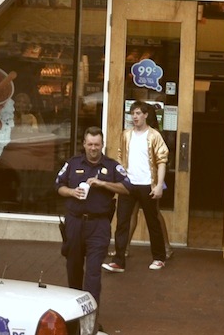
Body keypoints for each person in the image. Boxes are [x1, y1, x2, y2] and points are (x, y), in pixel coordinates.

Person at [56, 128, 129, 305]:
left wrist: (103, 183)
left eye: (97, 144)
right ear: (84, 144)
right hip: (74, 223)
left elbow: (127, 188)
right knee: (73, 268)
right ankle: (75, 309)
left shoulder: (112, 166)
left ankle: (91, 312)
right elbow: (58, 186)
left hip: (98, 225)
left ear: (102, 145)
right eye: (90, 144)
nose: (93, 148)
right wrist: (72, 192)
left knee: (93, 272)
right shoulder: (73, 163)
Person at [103, 100, 168, 272]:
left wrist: (159, 185)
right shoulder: (126, 135)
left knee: (152, 222)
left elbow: (162, 161)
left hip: (148, 185)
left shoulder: (154, 135)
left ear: (146, 115)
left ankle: (159, 257)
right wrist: (119, 180)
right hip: (128, 185)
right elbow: (120, 158)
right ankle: (118, 260)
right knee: (122, 222)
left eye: (138, 113)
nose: (135, 116)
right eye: (133, 113)